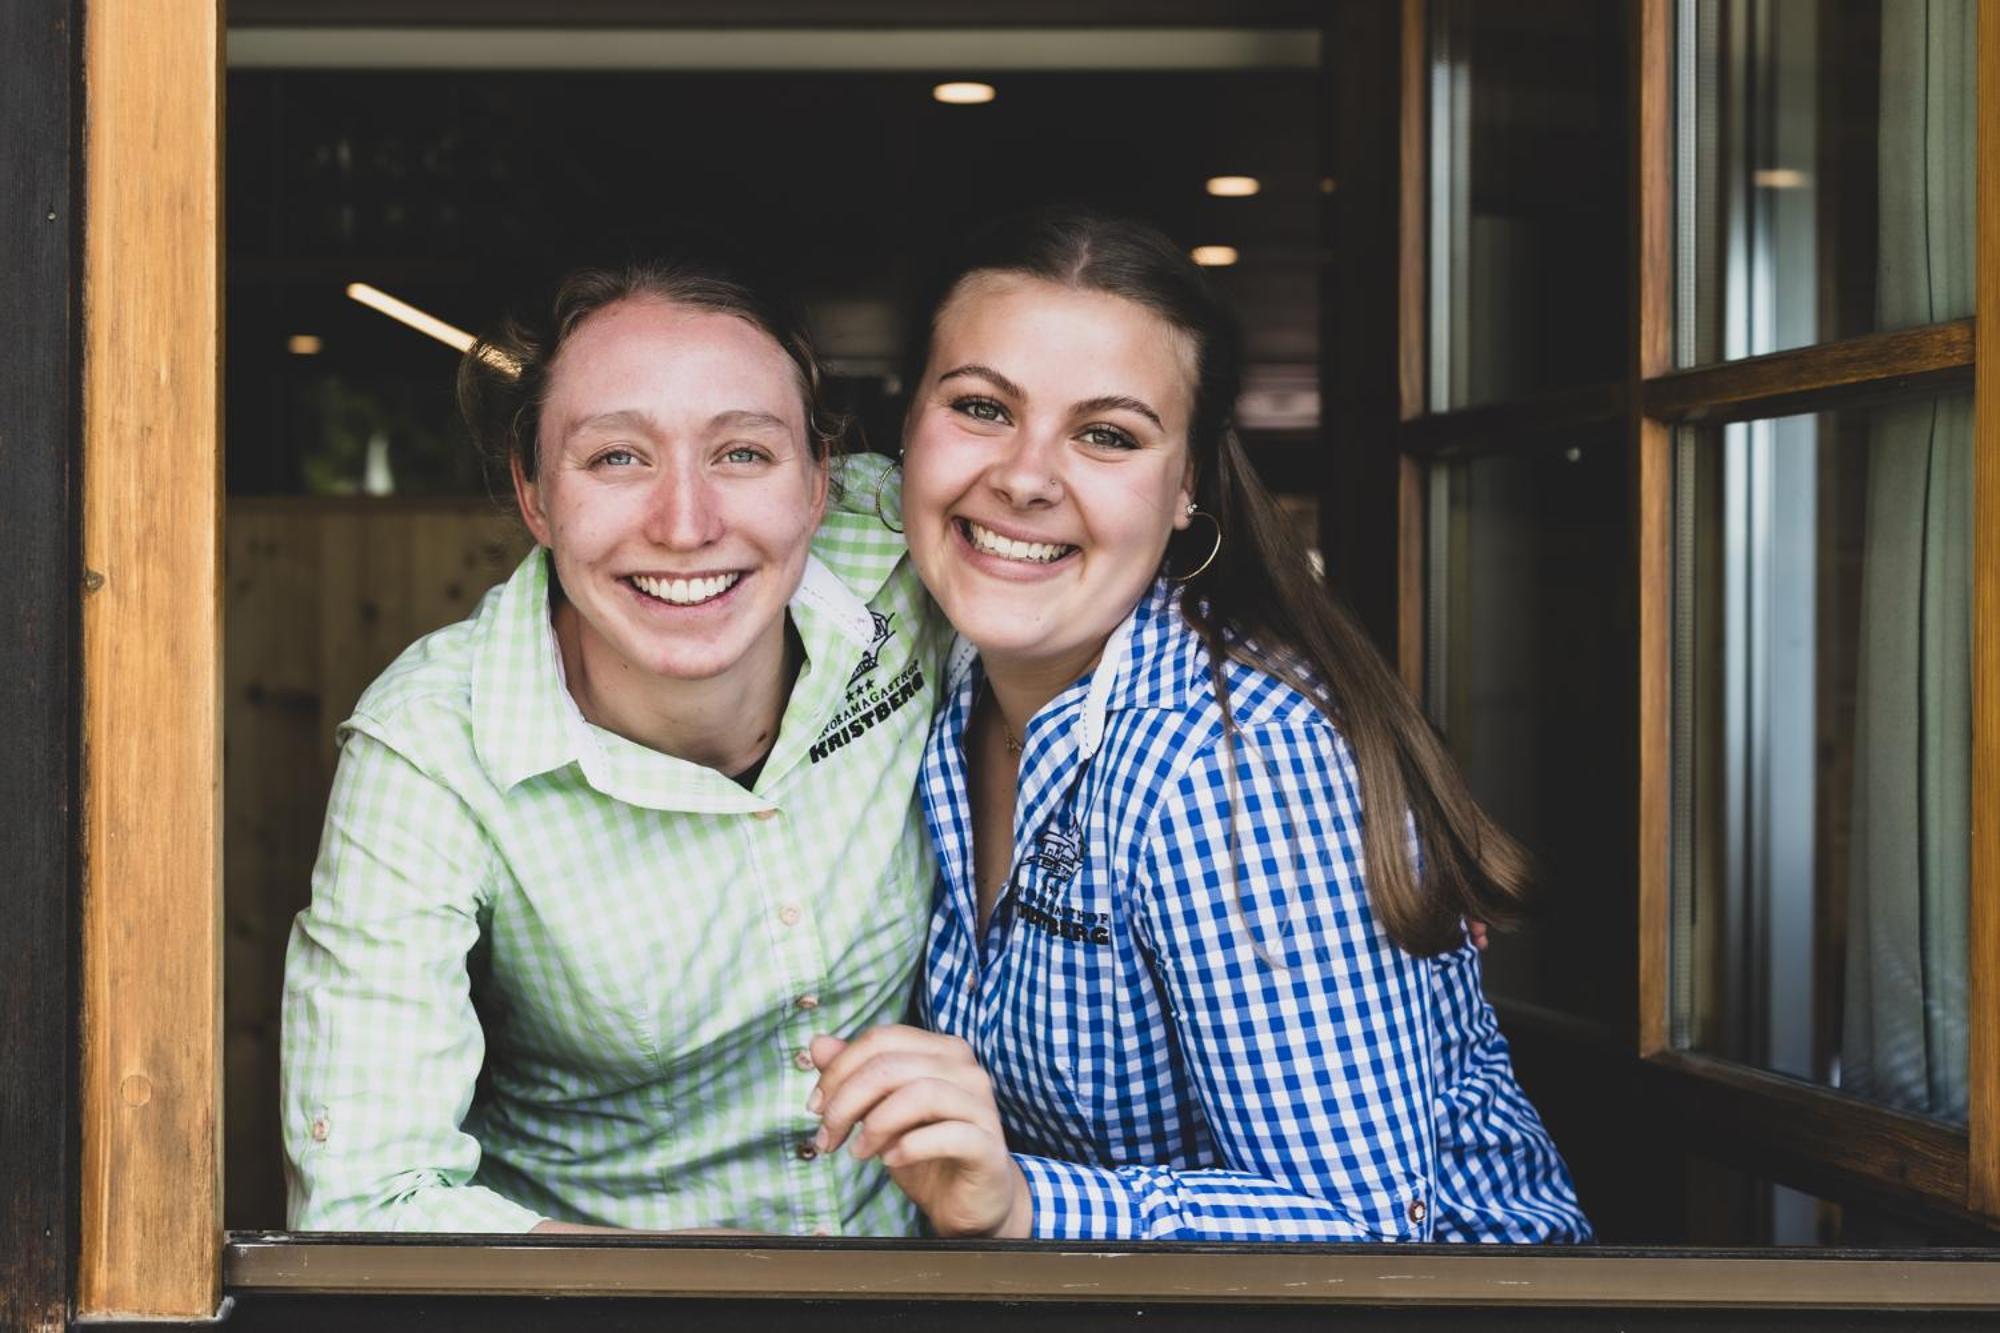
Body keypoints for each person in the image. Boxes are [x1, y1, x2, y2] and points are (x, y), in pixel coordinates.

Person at [809, 208, 1592, 1243]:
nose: (1026, 476)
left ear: (1185, 487)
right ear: (907, 425)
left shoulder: (1232, 765)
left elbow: (1362, 1226)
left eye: (1106, 434)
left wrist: (1021, 1201)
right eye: (981, 407)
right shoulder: (934, 670)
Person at [281, 253, 948, 1234]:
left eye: (743, 453)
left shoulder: (902, 560)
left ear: (820, 479)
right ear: (533, 492)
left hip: (925, 1273)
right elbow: (366, 1201)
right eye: (616, 458)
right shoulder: (432, 746)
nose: (684, 524)